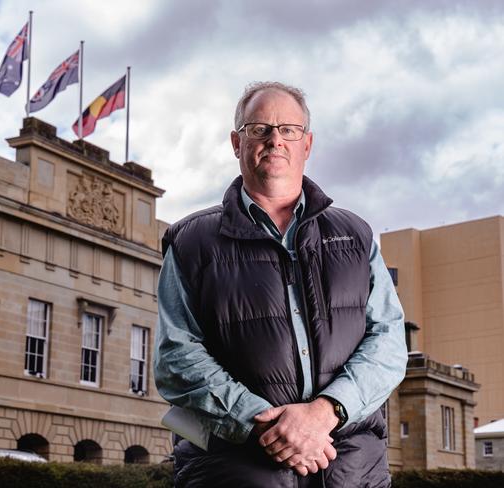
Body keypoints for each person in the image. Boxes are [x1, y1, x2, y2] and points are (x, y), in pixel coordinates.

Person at [154, 82, 408, 488]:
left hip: (353, 470)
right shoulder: (191, 242)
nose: (275, 140)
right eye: (259, 129)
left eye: (288, 129)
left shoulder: (356, 236)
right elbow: (176, 358)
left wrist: (327, 412)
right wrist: (265, 426)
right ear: (237, 143)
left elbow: (389, 341)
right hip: (234, 470)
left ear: (307, 144)